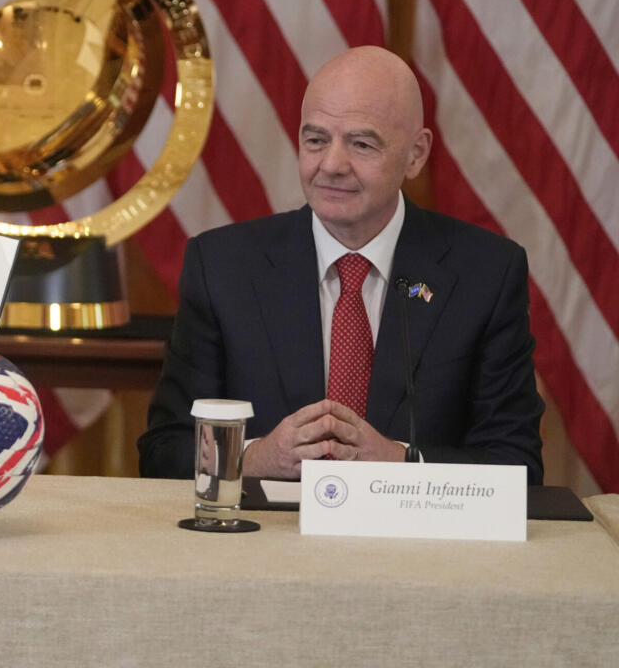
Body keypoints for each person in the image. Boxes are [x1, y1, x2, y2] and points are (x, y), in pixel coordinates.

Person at [140, 46, 544, 483]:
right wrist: (253, 459)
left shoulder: (485, 275)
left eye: (362, 144)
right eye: (316, 140)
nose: (331, 165)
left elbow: (518, 466)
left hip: (411, 528)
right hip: (265, 527)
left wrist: (402, 463)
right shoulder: (222, 268)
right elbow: (163, 451)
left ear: (416, 154)